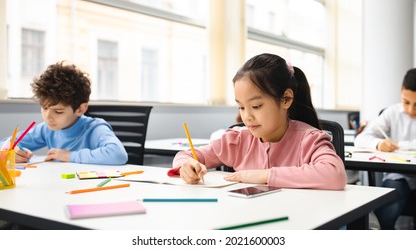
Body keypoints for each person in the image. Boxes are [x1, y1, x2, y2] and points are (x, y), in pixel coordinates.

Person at [171, 53, 347, 190]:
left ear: (286, 99)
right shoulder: (237, 140)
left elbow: (335, 175)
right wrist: (186, 166)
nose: (246, 117)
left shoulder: (309, 140)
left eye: (256, 106)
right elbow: (186, 156)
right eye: (241, 107)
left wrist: (265, 176)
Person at [2, 61, 128, 165]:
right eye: (44, 108)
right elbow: (5, 143)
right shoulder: (47, 129)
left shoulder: (95, 129)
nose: (48, 117)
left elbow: (118, 154)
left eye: (58, 111)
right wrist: (12, 151)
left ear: (80, 109)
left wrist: (69, 156)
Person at [354, 68, 416, 229]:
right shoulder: (392, 112)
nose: (410, 110)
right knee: (386, 209)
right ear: (401, 92)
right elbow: (360, 139)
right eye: (406, 102)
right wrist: (378, 144)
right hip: (399, 175)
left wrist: (399, 145)